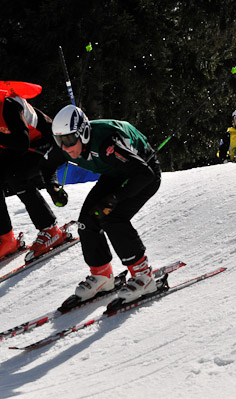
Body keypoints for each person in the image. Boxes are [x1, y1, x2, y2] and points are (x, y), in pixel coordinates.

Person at [51, 105, 162, 304]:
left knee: (112, 217)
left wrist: (116, 197)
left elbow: (145, 174)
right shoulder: (67, 147)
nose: (65, 148)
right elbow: (45, 164)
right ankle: (102, 276)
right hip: (115, 173)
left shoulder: (107, 145)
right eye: (59, 141)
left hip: (143, 175)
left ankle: (144, 277)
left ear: (82, 133)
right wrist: (53, 188)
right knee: (87, 221)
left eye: (68, 140)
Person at [0, 77, 69, 268]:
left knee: (16, 176)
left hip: (44, 141)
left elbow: (22, 142)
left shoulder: (7, 106)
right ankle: (5, 238)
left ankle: (50, 230)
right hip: (17, 146)